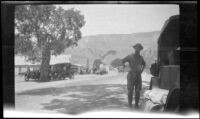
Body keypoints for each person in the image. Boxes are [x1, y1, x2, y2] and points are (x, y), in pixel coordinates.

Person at [122, 43, 146, 109]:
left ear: (140, 49)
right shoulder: (130, 56)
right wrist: (126, 68)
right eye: (136, 48)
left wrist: (141, 71)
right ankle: (130, 105)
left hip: (138, 75)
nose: (138, 49)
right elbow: (123, 60)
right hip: (131, 75)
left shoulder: (141, 58)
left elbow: (144, 64)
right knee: (130, 90)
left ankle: (136, 105)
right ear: (134, 48)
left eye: (139, 48)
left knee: (138, 91)